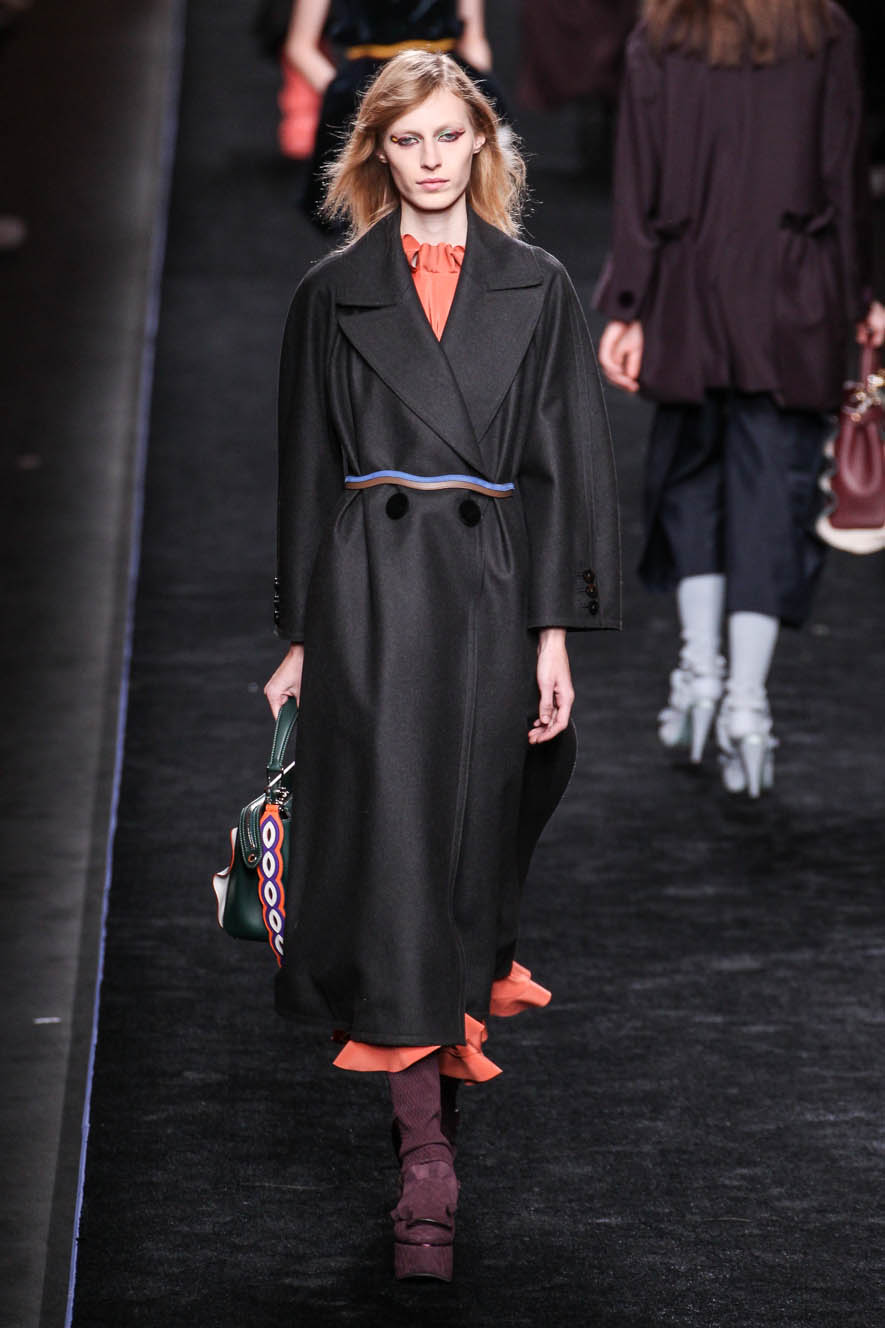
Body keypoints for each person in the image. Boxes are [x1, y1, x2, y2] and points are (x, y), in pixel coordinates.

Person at [264, 50, 619, 1280]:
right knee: (396, 861)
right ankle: (426, 1166)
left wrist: (556, 632)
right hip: (370, 598)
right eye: (405, 139)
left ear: (481, 145)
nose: (427, 158)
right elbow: (304, 469)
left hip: (489, 595)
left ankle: (433, 1121)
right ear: (378, 152)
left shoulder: (540, 285)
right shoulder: (333, 292)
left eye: (447, 137)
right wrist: (300, 637)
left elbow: (569, 461)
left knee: (467, 860)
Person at [595, 0, 885, 798]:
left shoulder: (664, 32)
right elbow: (844, 169)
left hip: (687, 286)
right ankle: (748, 708)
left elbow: (638, 174)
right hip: (795, 291)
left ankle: (698, 674)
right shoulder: (823, 30)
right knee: (774, 491)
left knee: (691, 478)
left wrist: (628, 303)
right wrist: (861, 292)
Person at [282, 0, 507, 226]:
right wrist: (352, 99)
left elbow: (473, 41)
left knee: (469, 213)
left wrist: (476, 98)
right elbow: (300, 47)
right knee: (369, 217)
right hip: (368, 96)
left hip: (446, 85)